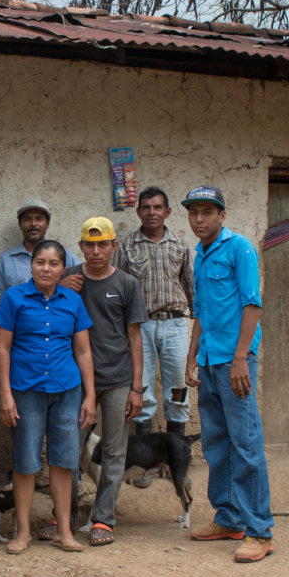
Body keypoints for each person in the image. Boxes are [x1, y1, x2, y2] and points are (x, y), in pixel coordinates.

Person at [182, 185, 275, 564]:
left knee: (246, 443)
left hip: (235, 361)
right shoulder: (200, 254)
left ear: (222, 215)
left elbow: (252, 304)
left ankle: (259, 532)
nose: (199, 219)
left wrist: (241, 358)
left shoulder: (240, 248)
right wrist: (191, 357)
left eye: (207, 212)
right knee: (217, 444)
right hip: (208, 362)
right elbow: (201, 312)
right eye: (194, 213)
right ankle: (229, 518)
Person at [0, 240, 96, 555]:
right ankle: (22, 531)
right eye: (40, 262)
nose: (46, 269)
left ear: (63, 268)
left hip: (67, 389)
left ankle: (64, 530)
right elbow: (3, 348)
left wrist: (90, 394)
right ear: (31, 265)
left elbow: (82, 350)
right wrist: (5, 395)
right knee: (25, 463)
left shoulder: (73, 301)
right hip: (26, 390)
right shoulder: (14, 298)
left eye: (53, 263)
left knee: (64, 462)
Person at [63, 217, 147, 546]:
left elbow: (135, 338)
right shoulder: (70, 281)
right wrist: (60, 287)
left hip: (117, 378)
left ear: (114, 246)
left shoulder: (127, 284)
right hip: (77, 380)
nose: (96, 251)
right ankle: (64, 514)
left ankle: (104, 518)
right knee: (68, 448)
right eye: (89, 244)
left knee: (114, 450)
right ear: (81, 247)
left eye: (103, 245)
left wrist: (137, 388)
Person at [114, 187, 195, 438]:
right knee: (143, 390)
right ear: (138, 212)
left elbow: (189, 284)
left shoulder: (180, 245)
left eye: (157, 207)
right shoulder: (127, 245)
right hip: (141, 326)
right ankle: (146, 462)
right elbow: (117, 287)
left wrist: (199, 320)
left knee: (177, 390)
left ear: (167, 212)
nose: (152, 212)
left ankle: (175, 458)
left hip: (175, 325)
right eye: (146, 207)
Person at [0, 198, 80, 293]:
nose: (33, 224)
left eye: (39, 219)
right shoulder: (5, 261)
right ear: (20, 224)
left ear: (47, 224)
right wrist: (57, 286)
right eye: (28, 219)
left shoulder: (66, 257)